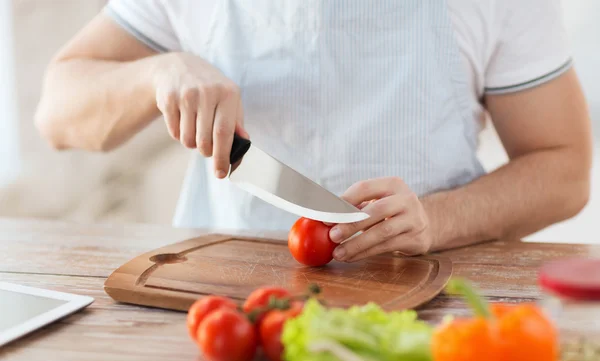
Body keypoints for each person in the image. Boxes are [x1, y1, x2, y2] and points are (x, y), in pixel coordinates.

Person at [35, 0, 592, 262]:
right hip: (222, 301)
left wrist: (439, 219)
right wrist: (157, 73)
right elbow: (57, 110)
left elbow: (564, 168)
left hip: (426, 295)